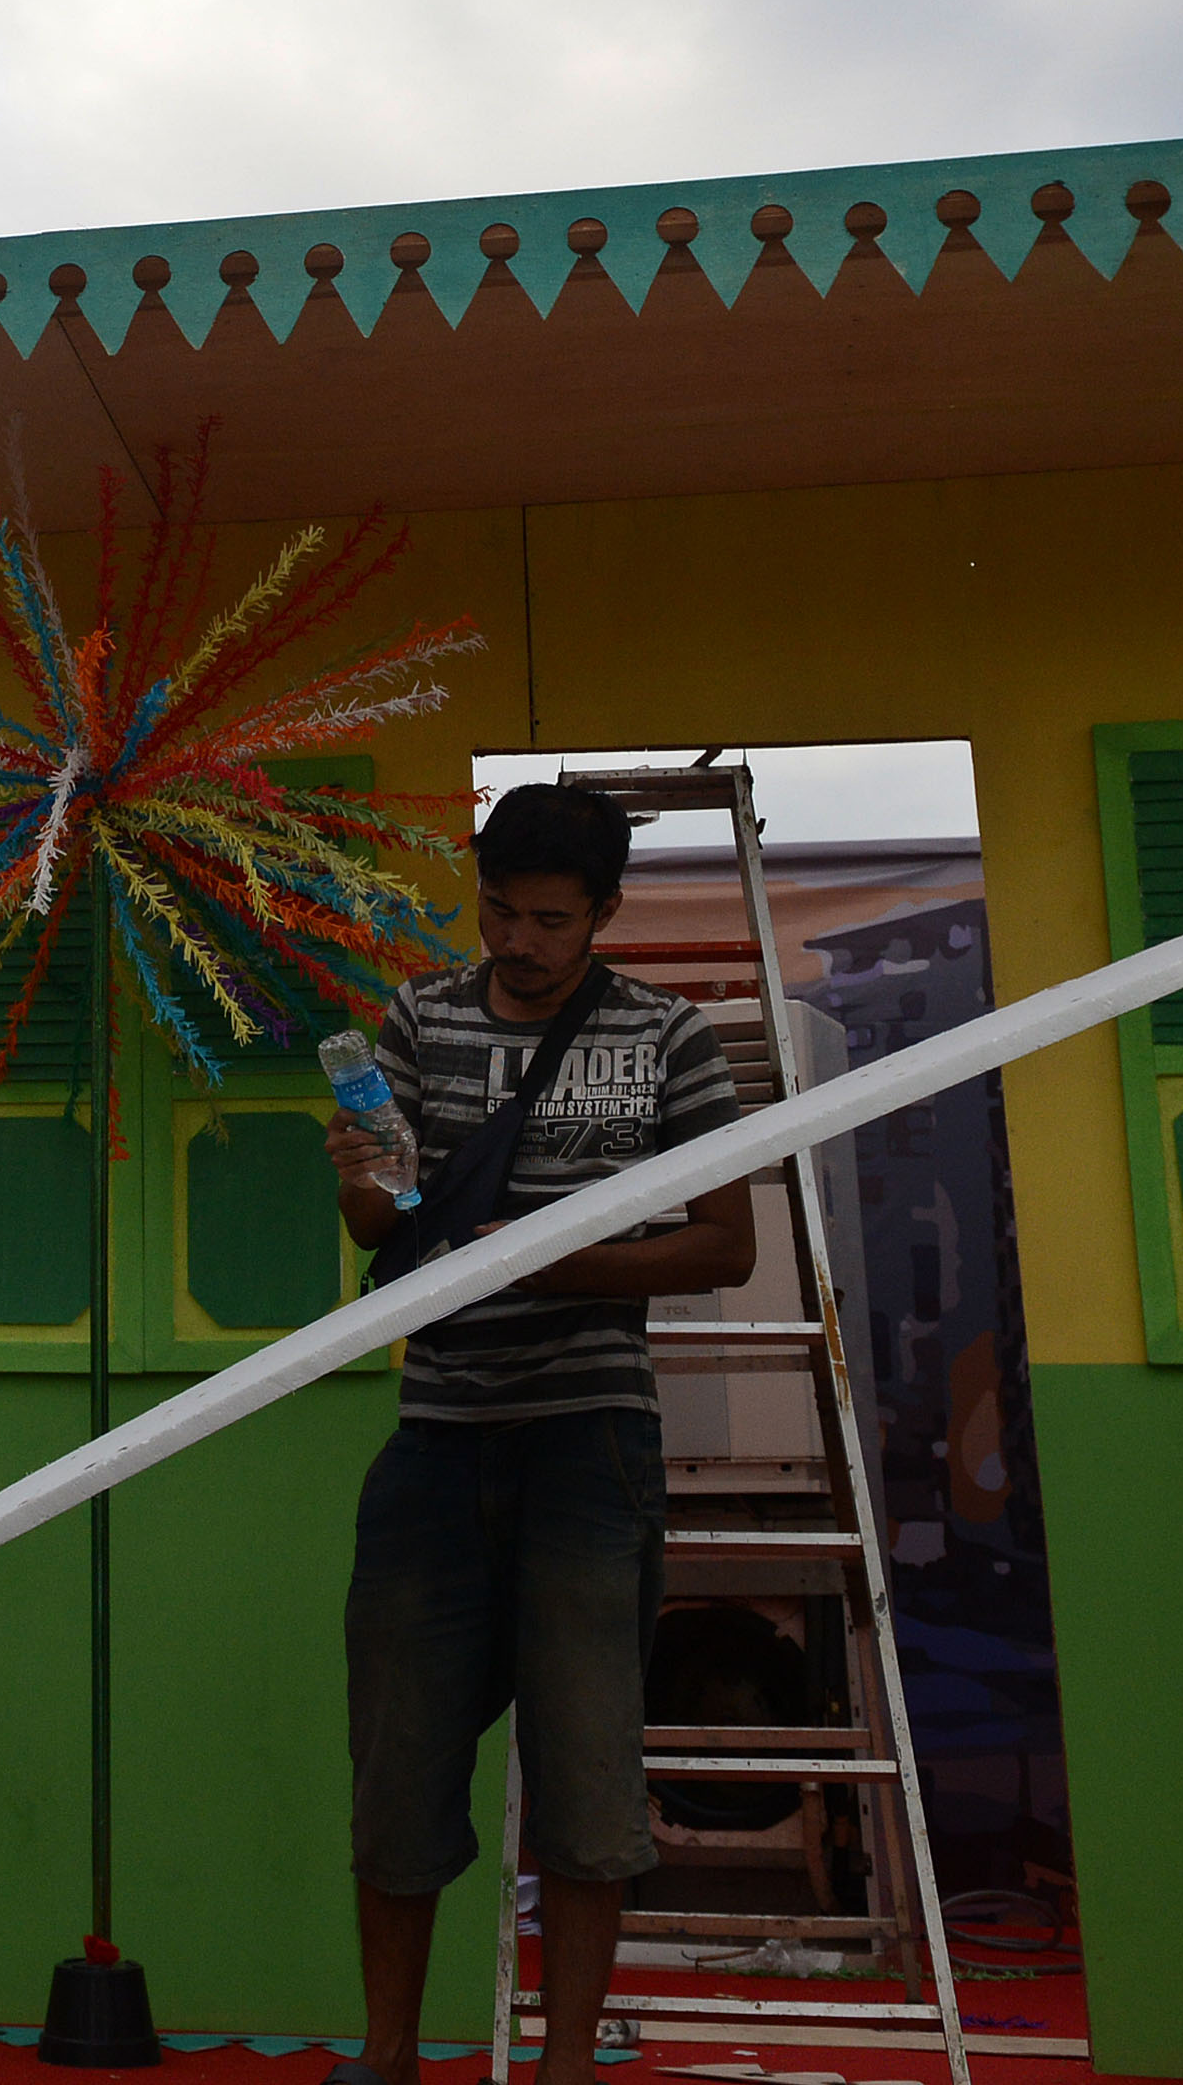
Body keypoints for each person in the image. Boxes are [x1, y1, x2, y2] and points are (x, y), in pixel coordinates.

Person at [320, 783, 752, 2085]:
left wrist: (550, 1262)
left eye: (552, 920)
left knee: (586, 1774)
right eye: (499, 913)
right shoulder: (417, 1016)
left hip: (586, 1442)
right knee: (396, 1770)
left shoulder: (669, 1036)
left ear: (606, 913)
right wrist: (363, 1179)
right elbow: (379, 1224)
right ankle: (386, 2055)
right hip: (436, 1432)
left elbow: (725, 1246)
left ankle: (567, 2067)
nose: (519, 942)